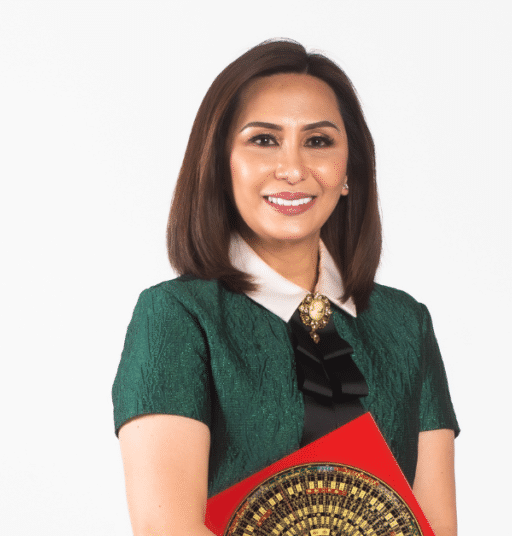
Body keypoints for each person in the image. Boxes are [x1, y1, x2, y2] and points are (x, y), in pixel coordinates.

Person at [112, 39, 460, 536]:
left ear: (348, 172)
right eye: (264, 140)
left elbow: (434, 526)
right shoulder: (177, 316)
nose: (294, 170)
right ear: (219, 163)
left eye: (318, 141)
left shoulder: (405, 323)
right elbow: (165, 529)